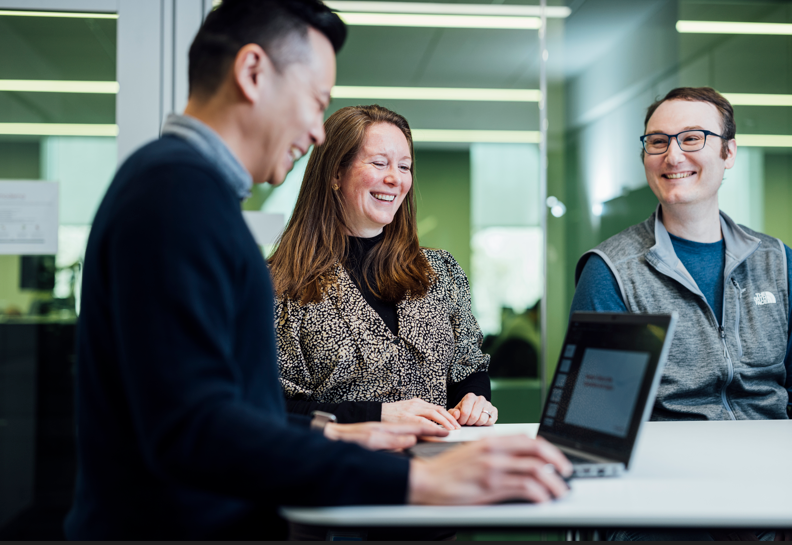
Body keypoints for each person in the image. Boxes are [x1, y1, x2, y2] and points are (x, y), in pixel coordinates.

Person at [65, 0, 571, 539]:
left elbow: (222, 412)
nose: (316, 132)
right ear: (253, 72)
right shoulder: (176, 199)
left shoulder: (183, 190)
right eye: (315, 103)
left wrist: (337, 434)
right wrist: (415, 483)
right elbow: (196, 430)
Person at [571, 87, 791, 541]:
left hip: (773, 496)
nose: (673, 155)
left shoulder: (778, 261)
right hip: (663, 508)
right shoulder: (611, 272)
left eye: (692, 138)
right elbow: (592, 434)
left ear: (729, 152)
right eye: (658, 141)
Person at [269, 104, 496, 430]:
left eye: (405, 167)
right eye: (379, 163)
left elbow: (468, 366)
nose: (395, 179)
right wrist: (373, 418)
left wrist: (475, 400)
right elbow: (267, 405)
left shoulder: (440, 272)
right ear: (335, 172)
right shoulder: (279, 284)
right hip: (339, 471)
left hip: (440, 469)